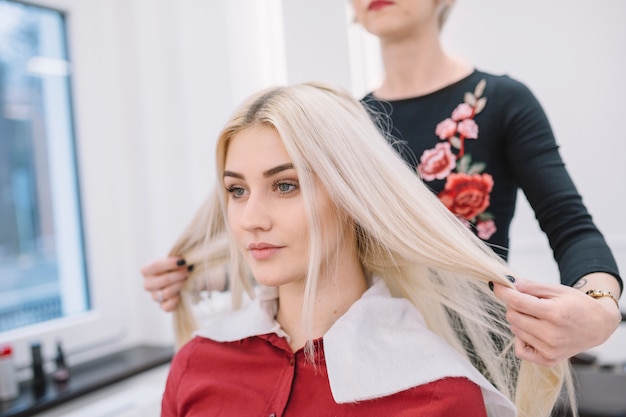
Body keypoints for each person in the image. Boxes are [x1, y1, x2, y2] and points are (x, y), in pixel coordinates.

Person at [143, 0, 622, 367]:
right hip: (370, 362)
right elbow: (321, 249)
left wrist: (600, 309)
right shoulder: (344, 126)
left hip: (481, 363)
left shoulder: (500, 102)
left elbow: (571, 227)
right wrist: (205, 274)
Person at [160, 81, 573, 417]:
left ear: (351, 196)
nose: (251, 218)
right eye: (236, 190)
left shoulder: (437, 395)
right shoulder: (197, 364)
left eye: (285, 185)